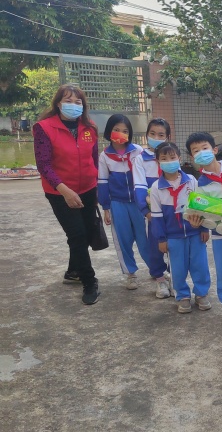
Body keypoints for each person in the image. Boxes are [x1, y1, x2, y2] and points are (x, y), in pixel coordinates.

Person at [33, 85, 100, 305]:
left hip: (88, 188)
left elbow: (94, 159)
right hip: (59, 191)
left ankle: (73, 271)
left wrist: (97, 187)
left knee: (86, 233)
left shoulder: (89, 127)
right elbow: (43, 165)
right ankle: (89, 281)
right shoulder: (44, 128)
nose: (73, 105)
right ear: (58, 103)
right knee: (77, 234)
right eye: (68, 101)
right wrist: (64, 190)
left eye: (78, 102)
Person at [186, 131, 222, 328]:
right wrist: (196, 222)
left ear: (215, 150)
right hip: (220, 233)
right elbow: (199, 214)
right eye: (196, 151)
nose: (201, 153)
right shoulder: (200, 186)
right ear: (192, 157)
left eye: (204, 148)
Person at [149, 142, 212, 314]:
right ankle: (182, 296)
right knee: (178, 269)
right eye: (164, 158)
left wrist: (204, 228)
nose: (169, 161)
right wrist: (161, 238)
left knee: (200, 265)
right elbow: (157, 217)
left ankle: (201, 293)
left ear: (179, 158)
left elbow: (200, 207)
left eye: (172, 157)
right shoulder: (156, 188)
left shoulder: (191, 180)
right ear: (158, 162)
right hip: (173, 237)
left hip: (195, 233)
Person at [97, 114, 151, 290]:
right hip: (117, 203)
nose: (121, 133)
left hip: (138, 202)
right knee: (123, 239)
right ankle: (130, 273)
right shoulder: (104, 156)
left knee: (145, 238)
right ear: (109, 131)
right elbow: (103, 182)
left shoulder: (138, 151)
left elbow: (147, 175)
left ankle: (156, 269)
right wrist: (106, 207)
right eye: (116, 129)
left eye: (125, 131)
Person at [133, 118, 172, 298]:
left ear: (168, 137)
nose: (156, 138)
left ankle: (174, 277)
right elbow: (139, 186)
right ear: (147, 135)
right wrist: (146, 211)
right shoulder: (141, 159)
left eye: (161, 135)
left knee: (175, 244)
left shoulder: (171, 156)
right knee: (156, 245)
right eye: (153, 134)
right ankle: (159, 278)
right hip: (154, 213)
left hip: (172, 210)